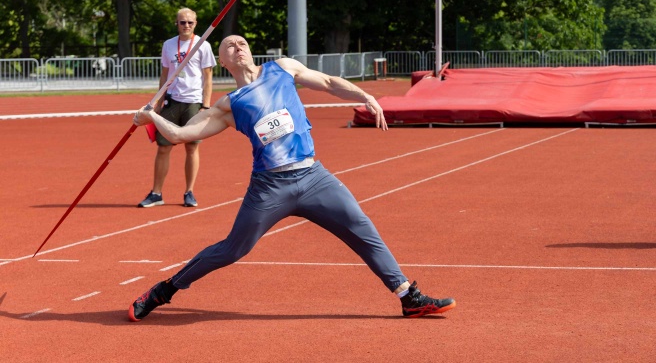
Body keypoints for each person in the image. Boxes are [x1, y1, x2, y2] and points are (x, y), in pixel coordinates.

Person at [127, 35, 456, 321]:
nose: (238, 46)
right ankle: (163, 291)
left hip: (314, 177)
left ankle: (408, 298)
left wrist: (364, 96)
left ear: (251, 52)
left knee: (361, 226)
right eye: (230, 46)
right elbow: (182, 134)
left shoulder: (281, 68)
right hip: (270, 187)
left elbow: (327, 81)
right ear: (223, 62)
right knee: (232, 250)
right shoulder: (228, 105)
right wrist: (151, 116)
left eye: (242, 43)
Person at [138, 8, 215, 208]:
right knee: (163, 147)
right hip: (172, 101)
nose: (186, 25)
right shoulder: (168, 45)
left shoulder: (203, 45)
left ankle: (189, 192)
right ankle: (156, 193)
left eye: (190, 22)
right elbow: (164, 75)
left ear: (196, 23)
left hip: (193, 102)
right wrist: (158, 101)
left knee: (191, 147)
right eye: (182, 22)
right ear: (176, 23)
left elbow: (208, 77)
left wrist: (205, 105)